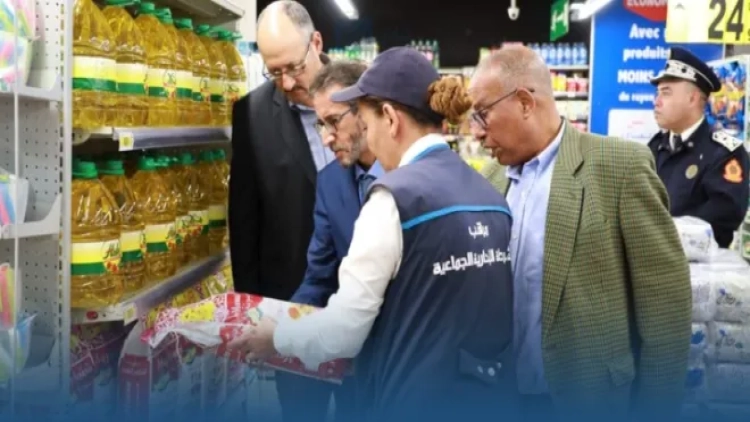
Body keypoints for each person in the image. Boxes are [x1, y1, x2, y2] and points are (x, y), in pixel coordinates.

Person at [229, 47, 518, 421]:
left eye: (365, 121)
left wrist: (276, 338)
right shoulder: (491, 196)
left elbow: (343, 331)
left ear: (390, 119)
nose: (365, 133)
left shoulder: (392, 200)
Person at [471, 45, 691, 421]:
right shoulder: (490, 179)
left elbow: (665, 307)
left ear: (524, 103)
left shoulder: (619, 168)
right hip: (504, 397)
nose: (476, 132)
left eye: (482, 114)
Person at [227, 1, 331, 421]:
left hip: (369, 300)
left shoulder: (365, 93)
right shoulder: (252, 115)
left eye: (294, 67)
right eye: (274, 72)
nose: (286, 82)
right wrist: (252, 310)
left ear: (316, 43)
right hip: (292, 304)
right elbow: (244, 221)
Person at [285, 60, 379, 422]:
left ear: (366, 111)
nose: (326, 138)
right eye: (321, 124)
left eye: (334, 122)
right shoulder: (330, 182)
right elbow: (320, 276)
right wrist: (283, 326)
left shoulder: (413, 176)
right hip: (353, 369)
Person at [648, 47, 749, 248]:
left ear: (692, 98)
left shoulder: (724, 152)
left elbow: (724, 214)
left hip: (698, 263)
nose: (656, 102)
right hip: (651, 258)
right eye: (657, 93)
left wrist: (662, 235)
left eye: (666, 93)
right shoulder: (656, 146)